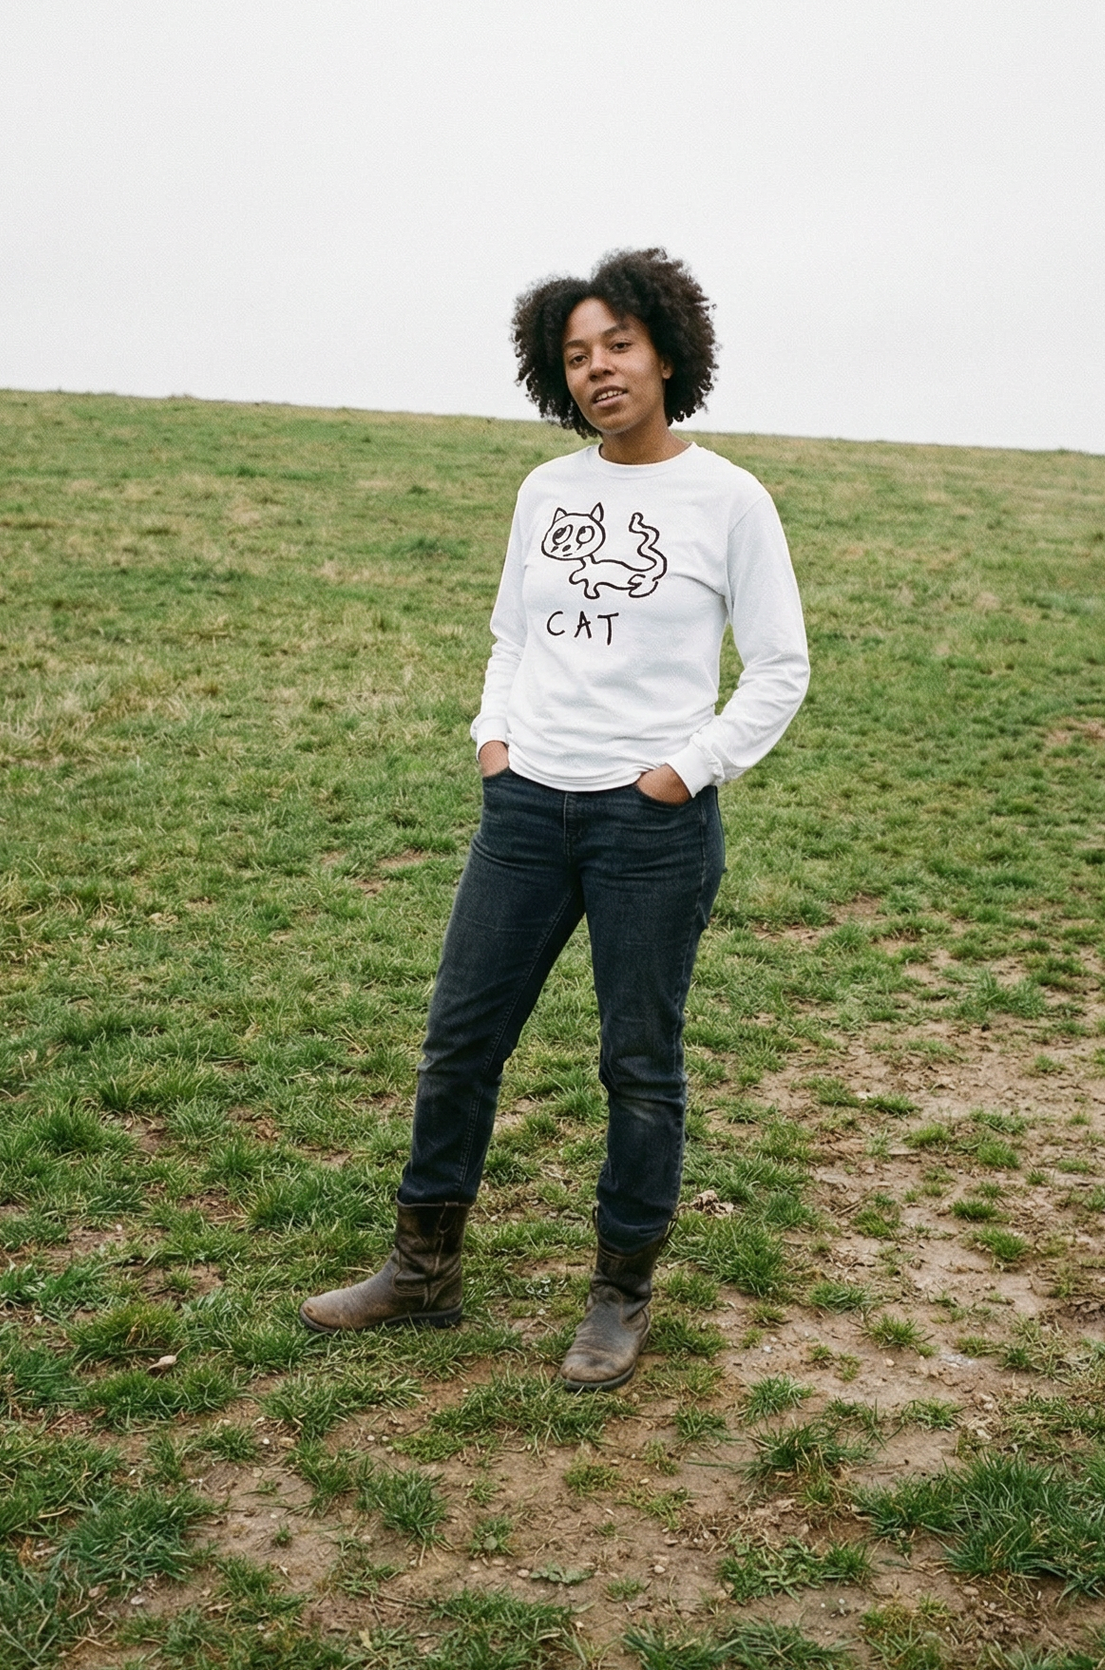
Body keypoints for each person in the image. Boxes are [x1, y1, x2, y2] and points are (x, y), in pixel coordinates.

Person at [302, 248, 809, 1391]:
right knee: (459, 1039)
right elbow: (510, 634)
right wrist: (494, 740)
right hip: (525, 809)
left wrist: (685, 769)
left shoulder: (728, 498)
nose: (597, 370)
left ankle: (619, 1295)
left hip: (649, 826)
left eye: (617, 345)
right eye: (575, 355)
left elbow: (778, 668)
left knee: (638, 1064)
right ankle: (422, 1265)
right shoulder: (544, 490)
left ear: (666, 351)